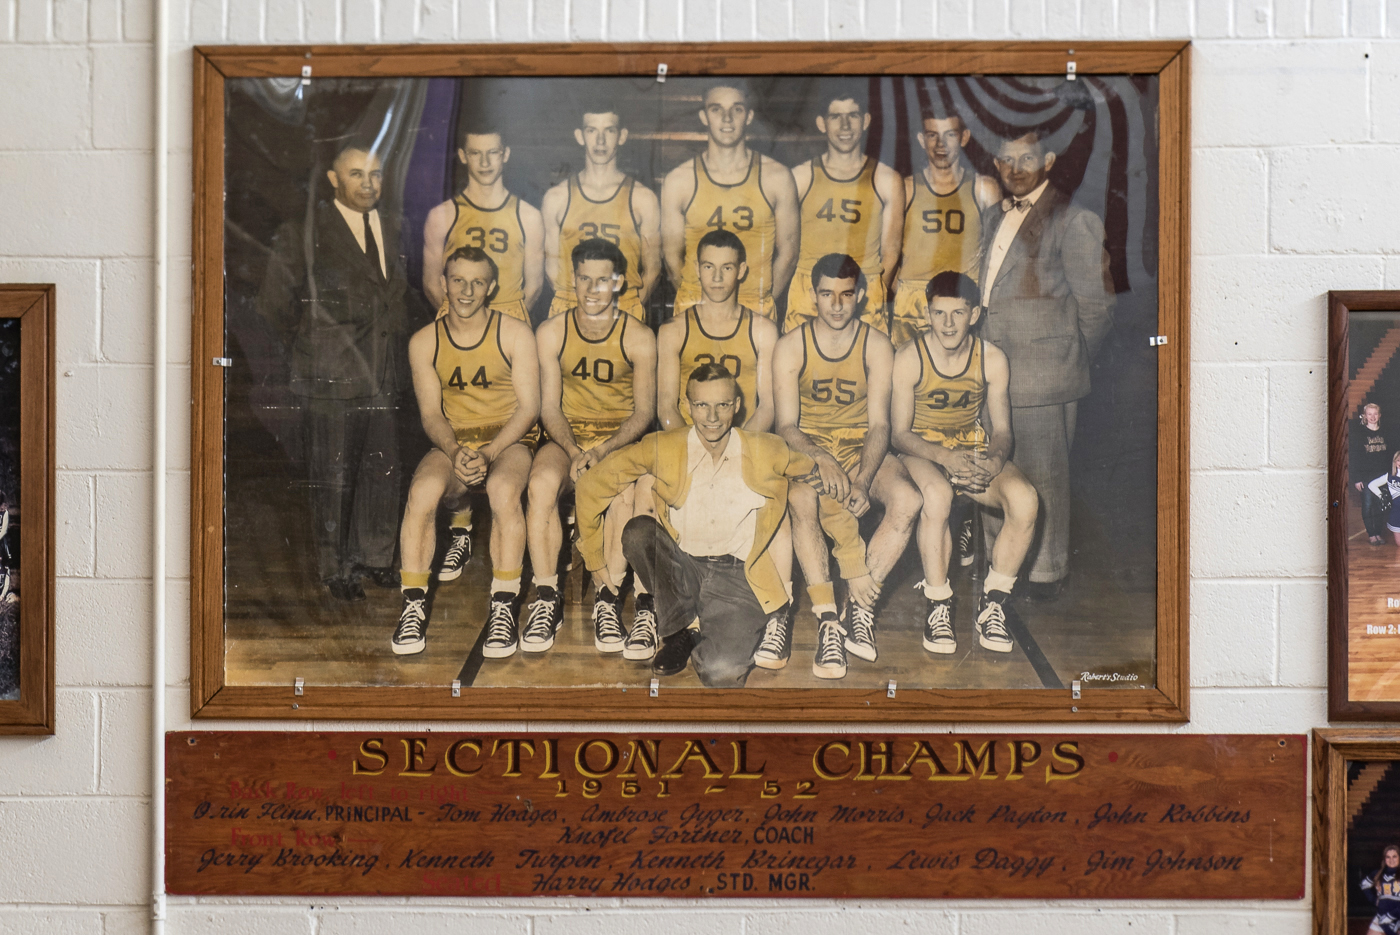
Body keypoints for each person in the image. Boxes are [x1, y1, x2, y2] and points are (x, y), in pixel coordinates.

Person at [575, 363, 829, 688]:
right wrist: (595, 560)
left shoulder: (768, 449)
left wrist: (831, 471)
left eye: (722, 405)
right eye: (702, 405)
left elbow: (822, 487)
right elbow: (590, 485)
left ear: (737, 406)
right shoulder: (663, 445)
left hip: (739, 578)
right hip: (683, 567)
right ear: (688, 406)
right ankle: (681, 622)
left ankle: (694, 629)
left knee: (719, 673)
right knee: (639, 532)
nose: (712, 417)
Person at [255, 138, 410, 602]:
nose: (368, 184)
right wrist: (313, 350)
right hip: (329, 375)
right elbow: (273, 305)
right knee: (333, 476)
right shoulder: (304, 230)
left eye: (376, 174)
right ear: (333, 180)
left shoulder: (392, 226)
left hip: (384, 373)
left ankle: (376, 557)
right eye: (357, 174)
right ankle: (335, 567)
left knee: (383, 470)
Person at [978, 129, 1114, 601]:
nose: (1016, 168)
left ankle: (1043, 578)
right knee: (996, 477)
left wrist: (1063, 359)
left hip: (1042, 377)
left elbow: (1096, 308)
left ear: (1049, 160)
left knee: (1043, 483)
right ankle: (1000, 577)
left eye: (1027, 158)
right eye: (1006, 159)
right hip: (992, 370)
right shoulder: (992, 216)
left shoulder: (1073, 220)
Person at [773, 252, 922, 679]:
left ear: (859, 296)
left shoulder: (876, 345)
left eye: (845, 295)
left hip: (861, 447)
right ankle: (827, 621)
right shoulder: (791, 345)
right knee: (802, 499)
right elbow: (786, 424)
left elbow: (880, 424)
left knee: (909, 500)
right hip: (810, 448)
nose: (836, 305)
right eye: (826, 294)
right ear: (813, 295)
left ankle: (859, 607)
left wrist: (862, 477)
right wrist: (820, 458)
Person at [390, 247, 540, 657]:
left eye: (477, 282)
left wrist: (490, 453)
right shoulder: (424, 341)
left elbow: (529, 409)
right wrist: (455, 450)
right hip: (454, 441)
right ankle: (413, 605)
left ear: (491, 287)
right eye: (458, 280)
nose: (467, 291)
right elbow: (430, 414)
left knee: (504, 493)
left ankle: (504, 605)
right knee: (421, 493)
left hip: (507, 441)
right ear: (443, 284)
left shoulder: (514, 333)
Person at [891, 271, 1038, 655]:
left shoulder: (992, 358)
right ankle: (938, 603)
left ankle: (993, 602)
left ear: (974, 314)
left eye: (958, 314)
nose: (948, 324)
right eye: (939, 314)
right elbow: (899, 434)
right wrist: (943, 457)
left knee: (1025, 499)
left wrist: (994, 459)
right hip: (922, 451)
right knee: (937, 495)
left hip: (969, 448)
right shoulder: (909, 357)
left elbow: (1003, 430)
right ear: (927, 314)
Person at [525, 238, 657, 658]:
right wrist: (574, 446)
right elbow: (548, 407)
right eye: (584, 279)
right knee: (542, 484)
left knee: (620, 493)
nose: (593, 289)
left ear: (619, 283)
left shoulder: (638, 336)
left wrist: (603, 450)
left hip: (618, 439)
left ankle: (608, 597)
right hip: (567, 437)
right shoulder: (551, 332)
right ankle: (546, 597)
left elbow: (643, 412)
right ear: (573, 280)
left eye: (603, 280)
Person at [660, 81, 800, 323]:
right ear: (704, 116)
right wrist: (700, 300)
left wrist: (760, 301)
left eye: (736, 109)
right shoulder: (679, 181)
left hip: (754, 313)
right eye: (716, 109)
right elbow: (672, 257)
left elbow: (788, 253)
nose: (727, 119)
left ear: (749, 116)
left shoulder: (777, 178)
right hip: (696, 311)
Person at [784, 86, 903, 335]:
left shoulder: (886, 179)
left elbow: (890, 253)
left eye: (853, 115)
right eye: (836, 117)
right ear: (821, 123)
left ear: (866, 121)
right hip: (809, 296)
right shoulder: (800, 177)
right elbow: (786, 248)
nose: (845, 125)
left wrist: (867, 295)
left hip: (863, 294)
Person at [541, 101, 662, 322]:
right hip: (572, 310)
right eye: (591, 130)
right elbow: (552, 271)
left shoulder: (643, 199)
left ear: (622, 136)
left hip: (623, 309)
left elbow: (653, 270)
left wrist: (627, 310)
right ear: (580, 136)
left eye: (609, 130)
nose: (600, 140)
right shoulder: (557, 198)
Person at [892, 109, 1000, 348]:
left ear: (964, 137)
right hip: (912, 307)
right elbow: (888, 253)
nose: (940, 144)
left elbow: (997, 257)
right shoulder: (905, 188)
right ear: (921, 139)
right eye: (932, 135)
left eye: (949, 135)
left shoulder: (984, 189)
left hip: (961, 303)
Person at [656, 229, 779, 434]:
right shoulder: (673, 330)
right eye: (708, 266)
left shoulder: (763, 331)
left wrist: (738, 449)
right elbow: (666, 407)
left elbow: (768, 406)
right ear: (697, 268)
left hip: (743, 441)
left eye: (727, 268)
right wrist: (693, 449)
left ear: (741, 270)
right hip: (688, 441)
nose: (717, 277)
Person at [422, 123, 544, 322]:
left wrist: (505, 327)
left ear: (505, 154)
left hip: (509, 322)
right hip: (459, 322)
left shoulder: (528, 216)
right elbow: (431, 285)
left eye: (493, 152)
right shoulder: (442, 215)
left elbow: (534, 287)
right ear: (462, 156)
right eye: (475, 153)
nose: (484, 162)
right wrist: (463, 320)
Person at [1353, 402, 1391, 545]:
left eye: (1375, 414)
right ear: (1365, 416)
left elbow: (1391, 456)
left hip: (1382, 476)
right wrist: (1357, 478)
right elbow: (1355, 457)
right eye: (1369, 414)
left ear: (1379, 415)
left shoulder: (1385, 433)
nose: (1372, 417)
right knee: (1368, 505)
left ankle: (1378, 534)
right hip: (1366, 476)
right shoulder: (1360, 434)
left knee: (1381, 505)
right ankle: (1371, 534)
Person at [1361, 844, 1400, 935]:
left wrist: (1391, 916)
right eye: (1388, 857)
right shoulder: (1377, 874)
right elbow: (1364, 885)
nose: (1391, 860)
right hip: (1381, 917)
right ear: (1384, 859)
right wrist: (1374, 900)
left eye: (1394, 856)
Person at [1368, 451, 1400, 547]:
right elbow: (1371, 485)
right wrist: (1382, 496)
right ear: (1395, 462)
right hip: (1396, 513)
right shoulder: (1390, 476)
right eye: (1398, 460)